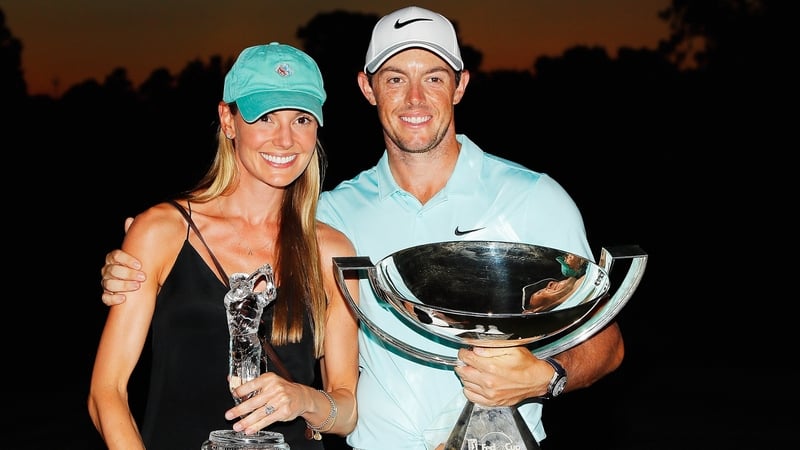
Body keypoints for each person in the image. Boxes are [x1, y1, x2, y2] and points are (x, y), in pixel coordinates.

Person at [99, 6, 626, 449]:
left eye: (434, 77)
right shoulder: (334, 215)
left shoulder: (532, 197)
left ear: (460, 85)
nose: (414, 99)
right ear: (367, 88)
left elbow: (604, 342)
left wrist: (547, 377)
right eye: (396, 78)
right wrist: (135, 254)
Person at [88, 42, 359, 450]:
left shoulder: (331, 249)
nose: (285, 140)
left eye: (301, 119)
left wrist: (303, 398)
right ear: (228, 120)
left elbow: (346, 412)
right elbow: (106, 393)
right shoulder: (162, 231)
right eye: (265, 117)